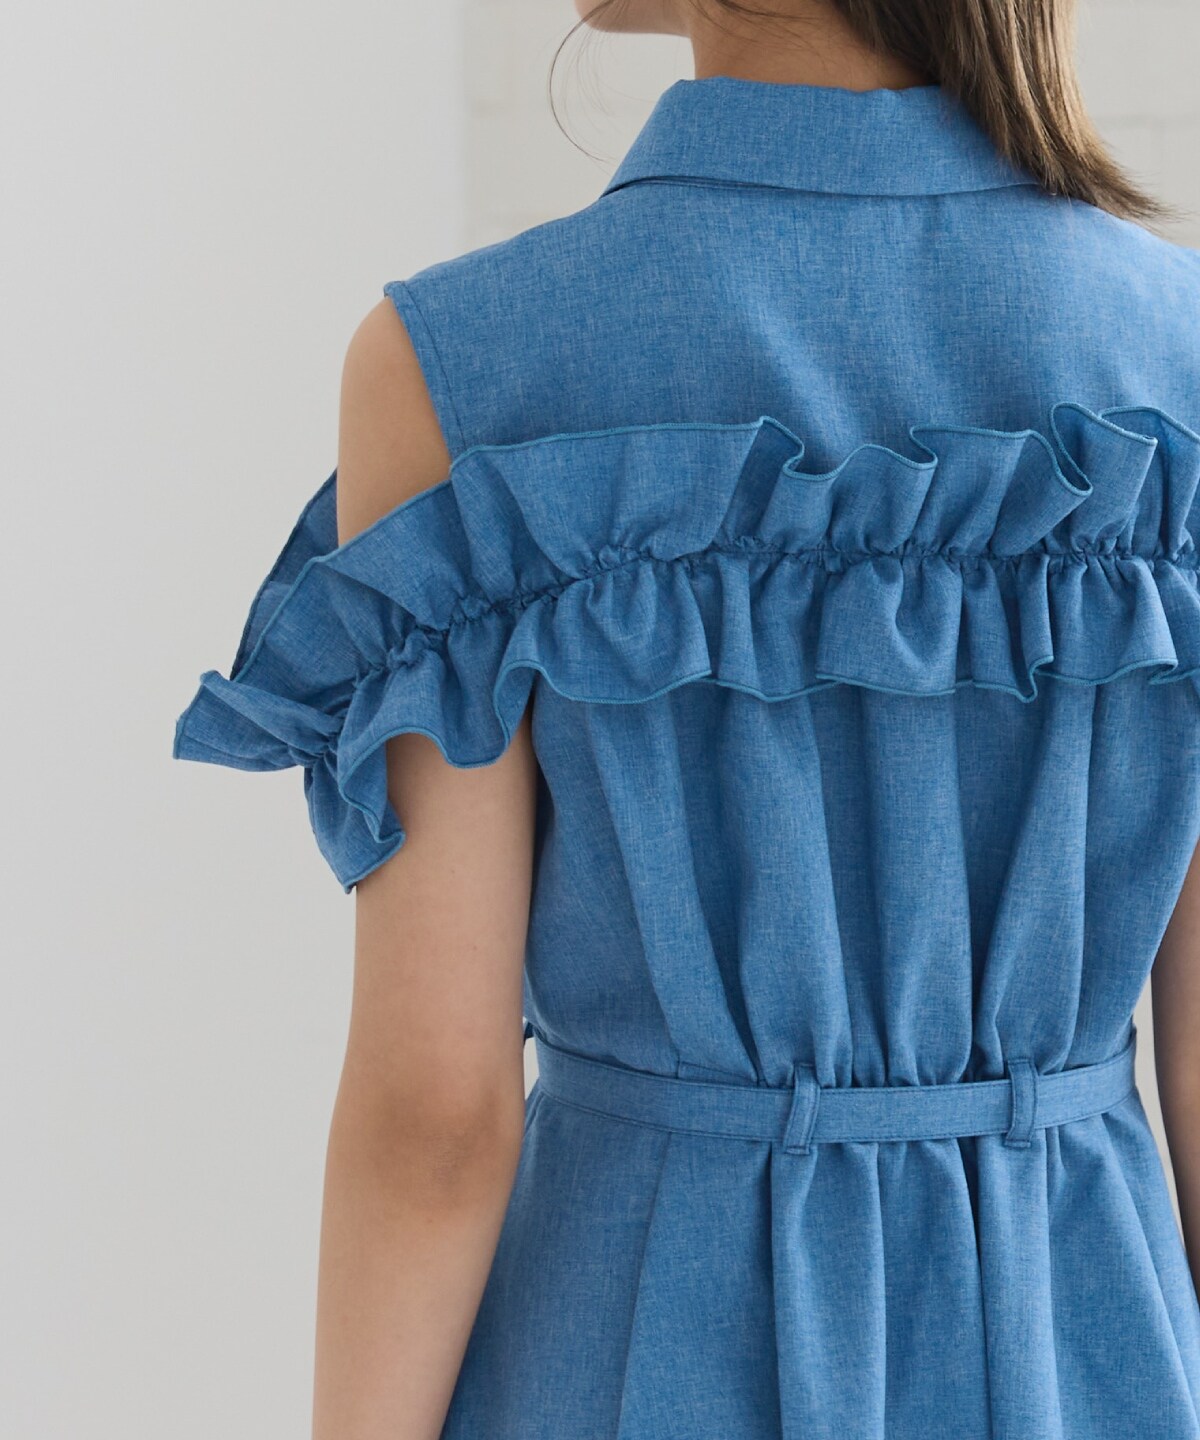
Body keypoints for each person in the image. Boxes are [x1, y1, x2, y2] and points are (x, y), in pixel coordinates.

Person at [171, 0, 1200, 1436]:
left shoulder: (462, 367)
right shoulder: (1177, 352)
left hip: (626, 1357)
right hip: (1087, 1362)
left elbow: (438, 1121)